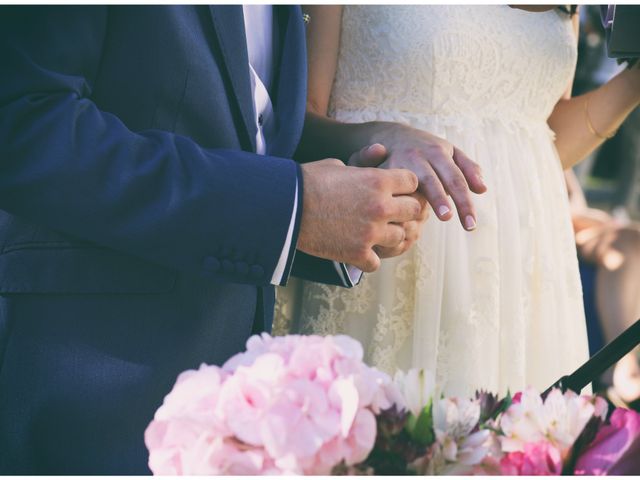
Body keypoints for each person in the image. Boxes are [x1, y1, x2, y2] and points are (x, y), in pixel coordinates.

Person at [0, 5, 485, 474]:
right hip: (90, 387)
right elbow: (24, 122)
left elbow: (247, 132)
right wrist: (292, 207)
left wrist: (369, 168)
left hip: (236, 395)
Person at [277, 5, 640, 397]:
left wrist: (634, 83)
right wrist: (385, 137)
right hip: (394, 257)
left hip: (520, 278)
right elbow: (292, 122)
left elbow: (539, 140)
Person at [566, 169, 640, 408]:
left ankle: (622, 365)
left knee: (629, 241)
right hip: (554, 231)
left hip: (578, 228)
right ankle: (620, 364)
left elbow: (575, 205)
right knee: (625, 243)